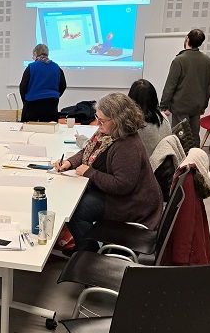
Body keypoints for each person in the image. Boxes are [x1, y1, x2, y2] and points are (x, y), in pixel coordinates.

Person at [54, 93, 163, 252]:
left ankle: (88, 254)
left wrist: (90, 172)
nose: (98, 124)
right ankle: (84, 246)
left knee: (75, 210)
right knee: (75, 202)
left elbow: (122, 185)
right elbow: (87, 152)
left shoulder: (127, 146)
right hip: (119, 197)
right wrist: (69, 163)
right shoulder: (107, 133)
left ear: (118, 120)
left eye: (102, 120)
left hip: (131, 205)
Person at [160, 28, 210, 147]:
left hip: (180, 106)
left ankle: (181, 164)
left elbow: (170, 85)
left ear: (187, 39)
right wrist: (204, 105)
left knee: (180, 138)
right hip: (197, 106)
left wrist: (164, 105)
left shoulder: (179, 60)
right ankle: (195, 162)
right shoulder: (206, 60)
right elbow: (208, 85)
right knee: (194, 137)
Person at [19, 43, 66, 122]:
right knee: (50, 130)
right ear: (47, 53)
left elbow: (23, 87)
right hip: (51, 103)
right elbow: (63, 85)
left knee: (28, 129)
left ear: (35, 53)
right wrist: (55, 95)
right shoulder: (56, 67)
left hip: (32, 104)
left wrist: (25, 101)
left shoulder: (31, 67)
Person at [128, 79, 171, 158]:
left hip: (146, 166)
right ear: (154, 98)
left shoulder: (133, 125)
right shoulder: (163, 117)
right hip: (164, 164)